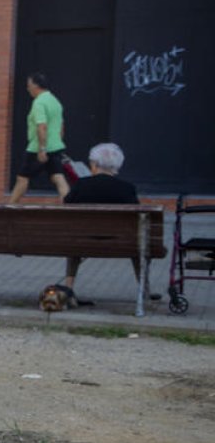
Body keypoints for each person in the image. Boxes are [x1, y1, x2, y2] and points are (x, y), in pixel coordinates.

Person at [62, 142, 146, 291]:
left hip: (84, 241)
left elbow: (66, 205)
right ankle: (144, 289)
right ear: (117, 166)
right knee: (139, 247)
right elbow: (137, 216)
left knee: (75, 244)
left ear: (94, 164)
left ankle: (68, 287)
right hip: (121, 243)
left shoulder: (81, 185)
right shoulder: (127, 188)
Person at [8, 71, 70, 202]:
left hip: (38, 148)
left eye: (29, 85)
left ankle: (9, 208)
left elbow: (42, 126)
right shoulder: (54, 101)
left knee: (22, 178)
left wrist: (42, 148)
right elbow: (61, 126)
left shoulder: (39, 102)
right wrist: (57, 142)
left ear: (36, 85)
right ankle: (70, 207)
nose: (28, 88)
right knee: (58, 177)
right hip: (55, 147)